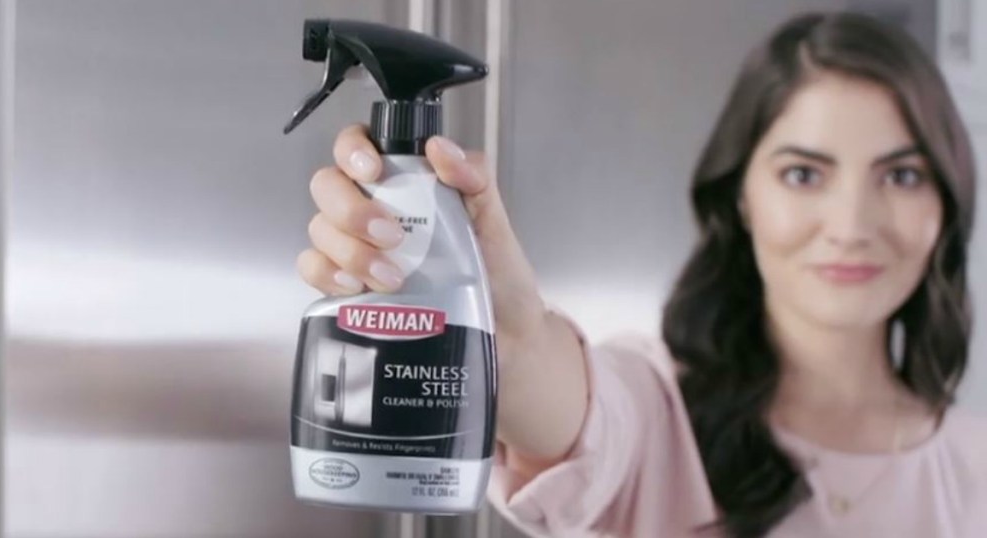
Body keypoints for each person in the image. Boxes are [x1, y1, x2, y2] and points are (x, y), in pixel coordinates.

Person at [296, 11, 987, 538]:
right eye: (804, 174)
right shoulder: (656, 412)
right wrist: (502, 328)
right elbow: (570, 407)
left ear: (948, 200)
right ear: (741, 196)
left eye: (901, 174)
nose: (852, 223)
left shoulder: (976, 468)